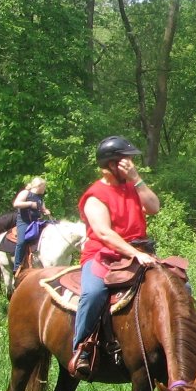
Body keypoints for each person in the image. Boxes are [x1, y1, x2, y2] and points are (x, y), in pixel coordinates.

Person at [70, 136, 160, 378]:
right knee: (94, 293)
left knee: (179, 282)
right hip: (103, 255)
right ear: (112, 165)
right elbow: (103, 233)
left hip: (139, 252)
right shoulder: (95, 195)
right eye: (126, 160)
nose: (131, 164)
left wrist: (137, 179)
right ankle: (83, 347)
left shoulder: (132, 187)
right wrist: (135, 254)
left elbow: (154, 207)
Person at [12, 177, 51, 273]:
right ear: (39, 186)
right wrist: (29, 204)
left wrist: (45, 211)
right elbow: (16, 204)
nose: (45, 188)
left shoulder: (40, 197)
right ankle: (17, 266)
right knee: (21, 242)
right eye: (44, 186)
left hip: (36, 222)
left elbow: (42, 208)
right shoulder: (25, 193)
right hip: (24, 222)